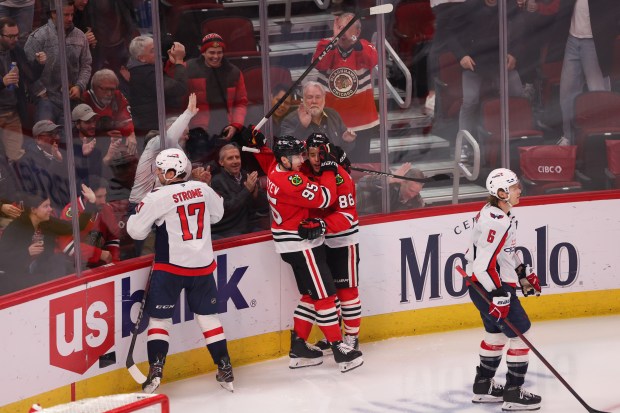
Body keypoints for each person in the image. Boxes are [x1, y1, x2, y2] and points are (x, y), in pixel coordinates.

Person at [126, 148, 234, 394]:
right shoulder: (203, 189)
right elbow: (218, 215)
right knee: (209, 319)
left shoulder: (157, 197)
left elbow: (135, 232)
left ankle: (156, 370)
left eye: (161, 171)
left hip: (170, 269)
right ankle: (225, 366)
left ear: (169, 172)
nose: (159, 175)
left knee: (160, 319)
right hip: (203, 268)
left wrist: (144, 214)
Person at [258, 135, 363, 372]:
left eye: (316, 154)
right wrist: (327, 171)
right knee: (326, 296)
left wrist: (260, 146)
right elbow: (324, 197)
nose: (307, 159)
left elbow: (347, 215)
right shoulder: (294, 177)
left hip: (323, 241)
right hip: (303, 244)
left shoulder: (280, 167)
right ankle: (338, 348)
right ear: (285, 159)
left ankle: (303, 347)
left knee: (318, 295)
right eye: (304, 155)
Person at [463, 168, 542, 410]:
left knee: (495, 336)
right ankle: (513, 393)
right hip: (491, 287)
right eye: (514, 186)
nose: (520, 189)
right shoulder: (495, 221)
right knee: (521, 334)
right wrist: (498, 295)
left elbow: (504, 253)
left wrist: (521, 270)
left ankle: (483, 387)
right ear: (501, 192)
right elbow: (481, 265)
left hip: (485, 287)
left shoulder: (501, 214)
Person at [303, 133, 362, 353]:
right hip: (319, 242)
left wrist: (321, 224)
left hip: (343, 241)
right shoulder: (304, 171)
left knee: (347, 291)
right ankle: (333, 336)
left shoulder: (341, 176)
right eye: (312, 154)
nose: (316, 159)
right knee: (328, 293)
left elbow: (347, 216)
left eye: (321, 154)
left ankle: (352, 337)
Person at [447, 0, 523, 149]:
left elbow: (521, 31)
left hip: (501, 63)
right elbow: (450, 34)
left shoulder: (509, 5)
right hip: (475, 64)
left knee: (518, 95)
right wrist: (461, 55)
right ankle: (464, 146)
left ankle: (519, 141)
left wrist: (515, 54)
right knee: (470, 102)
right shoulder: (469, 6)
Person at [0, 186, 96, 294]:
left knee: (59, 262)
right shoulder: (16, 228)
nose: (51, 209)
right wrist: (26, 252)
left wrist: (91, 203)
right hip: (13, 279)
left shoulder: (47, 223)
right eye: (46, 206)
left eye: (50, 205)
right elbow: (2, 259)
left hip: (38, 273)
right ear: (33, 210)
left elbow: (75, 227)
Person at [311, 12, 379, 163]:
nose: (343, 32)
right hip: (331, 123)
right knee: (331, 165)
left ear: (358, 32)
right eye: (340, 27)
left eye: (348, 28)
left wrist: (353, 41)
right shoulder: (325, 45)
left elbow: (372, 60)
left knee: (359, 167)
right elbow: (320, 63)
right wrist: (334, 39)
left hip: (361, 122)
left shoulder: (365, 46)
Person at [554, 0, 619, 145]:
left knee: (598, 92)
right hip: (572, 39)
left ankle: (603, 136)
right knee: (567, 92)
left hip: (594, 41)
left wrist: (609, 35)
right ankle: (568, 137)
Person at [24, 0, 91, 124]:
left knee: (74, 139)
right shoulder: (38, 37)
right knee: (45, 139)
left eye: (72, 14)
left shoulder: (80, 36)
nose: (70, 18)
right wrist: (42, 93)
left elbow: (86, 65)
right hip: (46, 100)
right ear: (54, 13)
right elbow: (27, 71)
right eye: (66, 15)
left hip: (72, 99)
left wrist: (79, 86)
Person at [184, 33, 248, 142]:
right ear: (203, 52)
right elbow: (179, 99)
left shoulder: (234, 72)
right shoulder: (188, 69)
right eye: (212, 52)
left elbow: (241, 102)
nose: (216, 56)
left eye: (219, 52)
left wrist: (235, 125)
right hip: (197, 130)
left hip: (226, 128)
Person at [0, 16, 45, 162]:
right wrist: (2, 82)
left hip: (12, 113)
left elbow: (30, 76)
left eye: (17, 35)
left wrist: (38, 63)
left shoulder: (16, 50)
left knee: (16, 159)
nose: (15, 39)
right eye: (10, 36)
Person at [126, 35, 188, 140]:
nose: (159, 53)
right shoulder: (146, 75)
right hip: (151, 132)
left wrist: (170, 63)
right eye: (153, 51)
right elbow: (179, 88)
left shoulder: (142, 69)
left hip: (153, 127)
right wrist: (179, 61)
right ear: (141, 58)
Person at [57, 176, 120, 269]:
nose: (103, 201)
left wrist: (113, 263)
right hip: (70, 266)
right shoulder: (71, 211)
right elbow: (66, 246)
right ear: (87, 197)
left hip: (96, 263)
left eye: (105, 196)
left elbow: (113, 237)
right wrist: (99, 254)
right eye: (99, 197)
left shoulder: (106, 208)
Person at [209, 143, 268, 239]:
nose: (235, 161)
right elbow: (226, 208)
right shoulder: (216, 181)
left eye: (237, 157)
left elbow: (264, 207)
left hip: (249, 227)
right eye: (230, 158)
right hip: (227, 231)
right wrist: (247, 190)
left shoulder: (247, 176)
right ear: (221, 162)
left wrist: (255, 193)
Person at [280, 81, 356, 154]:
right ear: (303, 99)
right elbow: (286, 149)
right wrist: (302, 126)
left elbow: (343, 151)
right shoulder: (289, 120)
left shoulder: (333, 115)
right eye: (310, 97)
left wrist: (347, 141)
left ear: (324, 98)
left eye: (318, 97)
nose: (314, 101)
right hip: (306, 166)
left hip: (332, 165)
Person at [81, 68, 137, 156]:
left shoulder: (117, 95)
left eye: (112, 89)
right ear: (94, 87)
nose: (109, 94)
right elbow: (81, 133)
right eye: (105, 89)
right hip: (92, 148)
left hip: (114, 144)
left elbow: (127, 120)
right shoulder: (84, 99)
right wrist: (103, 136)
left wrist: (131, 134)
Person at [16, 119, 70, 210]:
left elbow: (70, 181)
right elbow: (43, 186)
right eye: (51, 134)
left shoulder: (61, 153)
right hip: (46, 209)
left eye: (57, 133)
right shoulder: (26, 161)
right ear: (38, 139)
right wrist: (56, 161)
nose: (56, 137)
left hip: (66, 205)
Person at [71, 103, 102, 186]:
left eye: (94, 120)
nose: (93, 125)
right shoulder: (70, 147)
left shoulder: (102, 141)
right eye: (88, 122)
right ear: (77, 125)